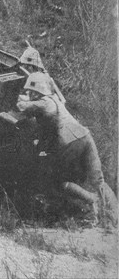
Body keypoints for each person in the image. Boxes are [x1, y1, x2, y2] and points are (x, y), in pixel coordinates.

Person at [17, 72, 115, 223]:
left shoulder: (43, 103)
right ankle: (115, 214)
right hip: (85, 136)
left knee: (59, 182)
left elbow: (22, 106)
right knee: (98, 180)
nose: (28, 94)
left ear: (35, 92)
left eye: (29, 91)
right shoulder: (55, 99)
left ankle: (91, 200)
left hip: (69, 141)